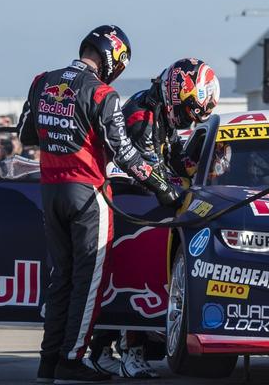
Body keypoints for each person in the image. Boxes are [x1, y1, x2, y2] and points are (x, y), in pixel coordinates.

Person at [19, 25, 184, 384]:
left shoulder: (41, 81)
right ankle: (72, 359)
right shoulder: (102, 93)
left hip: (50, 191)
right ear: (114, 58)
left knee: (59, 278)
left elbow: (25, 134)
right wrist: (160, 186)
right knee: (87, 283)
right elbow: (125, 152)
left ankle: (48, 363)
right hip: (88, 195)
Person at [90, 58, 221, 379]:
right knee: (133, 280)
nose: (192, 117)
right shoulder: (141, 115)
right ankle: (126, 352)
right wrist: (176, 188)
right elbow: (152, 170)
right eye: (192, 110)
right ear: (178, 95)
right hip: (126, 205)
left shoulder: (160, 112)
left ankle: (102, 350)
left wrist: (204, 156)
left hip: (135, 207)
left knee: (125, 281)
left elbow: (174, 160)